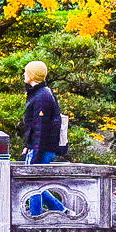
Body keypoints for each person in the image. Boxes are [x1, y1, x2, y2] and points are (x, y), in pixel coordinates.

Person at [21, 60, 66, 215]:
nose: (24, 75)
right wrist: (27, 145)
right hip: (36, 146)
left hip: (42, 147)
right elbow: (33, 125)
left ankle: (35, 218)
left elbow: (41, 127)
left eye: (26, 72)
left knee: (33, 184)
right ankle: (63, 211)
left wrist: (36, 153)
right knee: (34, 183)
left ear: (32, 75)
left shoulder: (42, 96)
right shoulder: (39, 93)